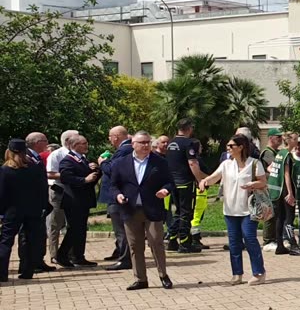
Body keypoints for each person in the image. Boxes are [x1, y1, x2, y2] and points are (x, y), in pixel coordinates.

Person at [110, 132, 174, 290]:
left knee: (156, 242)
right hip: (130, 209)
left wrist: (165, 190)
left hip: (152, 208)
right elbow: (113, 185)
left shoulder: (159, 162)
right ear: (133, 144)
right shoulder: (120, 163)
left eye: (148, 142)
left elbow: (169, 182)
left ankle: (163, 275)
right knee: (135, 245)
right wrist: (117, 195)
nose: (146, 145)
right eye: (142, 142)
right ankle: (140, 279)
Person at [201, 134, 268, 284]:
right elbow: (214, 177)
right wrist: (204, 182)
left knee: (250, 238)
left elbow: (263, 183)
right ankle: (237, 274)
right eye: (228, 146)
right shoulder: (226, 164)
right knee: (234, 242)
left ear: (241, 147)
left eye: (231, 146)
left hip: (249, 209)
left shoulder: (254, 164)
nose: (228, 149)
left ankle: (259, 272)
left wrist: (252, 185)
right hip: (230, 209)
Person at [0, 139, 51, 282]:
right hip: (32, 209)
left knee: (6, 240)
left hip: (13, 210)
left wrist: (2, 211)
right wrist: (42, 206)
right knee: (31, 241)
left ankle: (2, 273)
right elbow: (42, 189)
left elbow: (2, 193)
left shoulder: (5, 170)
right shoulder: (35, 168)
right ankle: (28, 271)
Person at [56, 134, 100, 268]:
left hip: (83, 199)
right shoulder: (68, 160)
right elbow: (66, 177)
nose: (87, 146)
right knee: (74, 229)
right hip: (73, 200)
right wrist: (84, 180)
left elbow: (90, 177)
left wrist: (96, 170)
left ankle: (78, 256)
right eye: (84, 143)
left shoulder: (82, 159)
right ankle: (62, 255)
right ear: (75, 145)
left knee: (80, 229)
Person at [166, 119, 207, 253]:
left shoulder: (170, 143)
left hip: (173, 182)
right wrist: (200, 179)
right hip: (185, 182)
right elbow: (193, 163)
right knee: (185, 213)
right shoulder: (188, 143)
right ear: (189, 128)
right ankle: (185, 243)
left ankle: (172, 240)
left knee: (177, 212)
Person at [99, 126, 134, 271]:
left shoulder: (124, 150)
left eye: (110, 136)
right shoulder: (125, 149)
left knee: (121, 230)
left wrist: (102, 162)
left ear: (116, 136)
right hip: (120, 194)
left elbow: (113, 170)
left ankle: (124, 258)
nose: (109, 139)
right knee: (122, 229)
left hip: (118, 195)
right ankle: (124, 256)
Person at [45, 129, 78, 266]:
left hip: (73, 192)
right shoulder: (56, 155)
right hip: (58, 191)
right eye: (76, 139)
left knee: (72, 224)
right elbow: (50, 174)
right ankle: (54, 254)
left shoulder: (77, 155)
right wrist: (68, 175)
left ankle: (70, 253)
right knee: (55, 224)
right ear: (67, 141)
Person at [260, 129, 284, 247]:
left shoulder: (277, 151)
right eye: (278, 137)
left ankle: (275, 238)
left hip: (276, 188)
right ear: (270, 138)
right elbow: (275, 166)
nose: (280, 139)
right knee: (269, 214)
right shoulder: (267, 152)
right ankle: (268, 240)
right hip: (269, 187)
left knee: (277, 214)